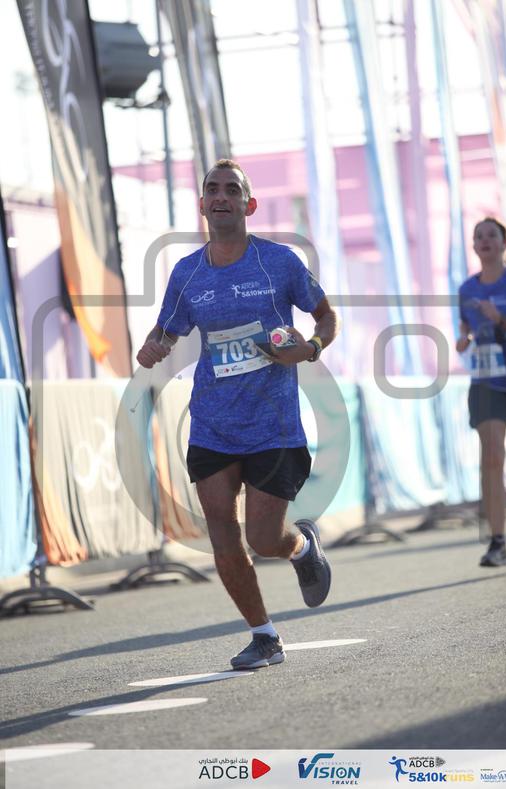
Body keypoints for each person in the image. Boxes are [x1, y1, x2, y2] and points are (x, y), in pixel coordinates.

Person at [137, 159, 338, 668]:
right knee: (223, 534)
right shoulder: (187, 273)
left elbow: (326, 316)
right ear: (202, 204)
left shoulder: (279, 262)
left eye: (232, 189)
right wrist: (154, 344)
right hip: (212, 423)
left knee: (263, 538)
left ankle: (300, 548)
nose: (221, 196)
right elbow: (168, 328)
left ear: (249, 205)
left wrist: (310, 348)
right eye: (212, 189)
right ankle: (264, 636)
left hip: (273, 425)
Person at [456, 217, 506, 567]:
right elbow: (465, 328)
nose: (484, 240)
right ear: (473, 246)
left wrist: (503, 321)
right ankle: (498, 543)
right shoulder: (467, 289)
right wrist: (464, 339)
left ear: (505, 243)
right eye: (478, 236)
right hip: (487, 382)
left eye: (491, 235)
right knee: (493, 456)